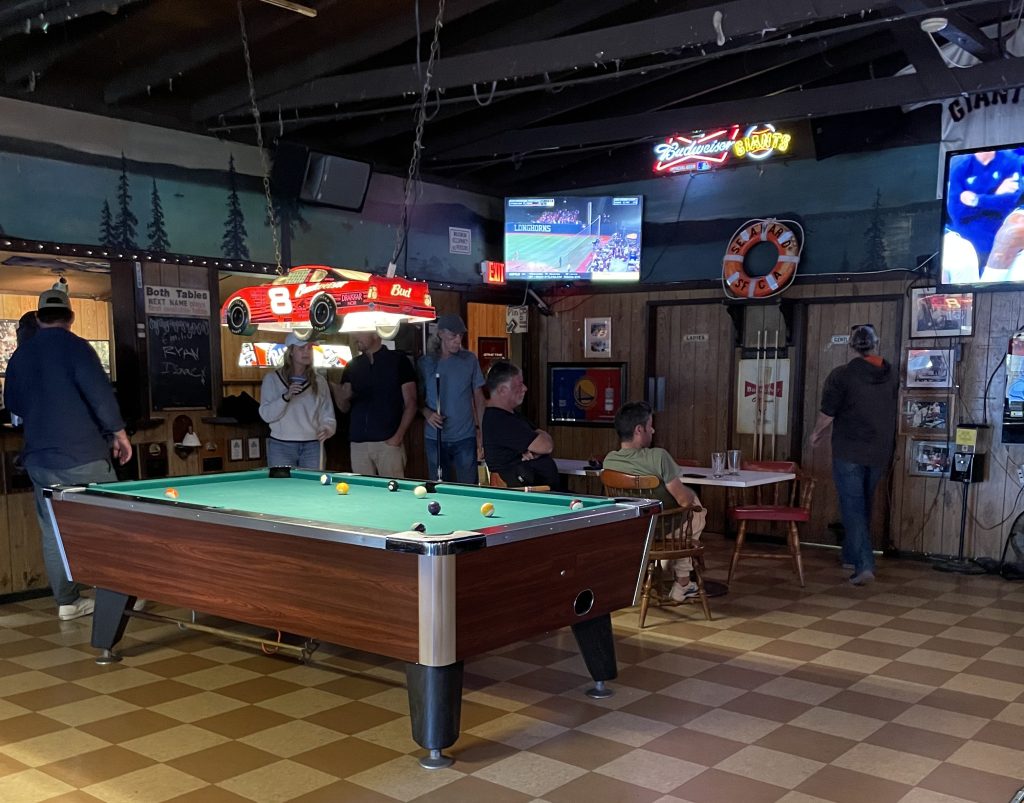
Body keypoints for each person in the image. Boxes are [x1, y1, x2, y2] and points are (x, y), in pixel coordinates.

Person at [5, 281, 133, 621]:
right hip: (83, 455)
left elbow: (13, 404)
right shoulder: (78, 349)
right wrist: (119, 433)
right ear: (70, 317)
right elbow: (100, 396)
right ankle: (120, 595)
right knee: (111, 524)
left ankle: (66, 602)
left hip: (40, 459)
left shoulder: (21, 355)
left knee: (54, 529)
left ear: (40, 318)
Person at [810, 324, 898, 586]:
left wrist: (816, 434)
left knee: (852, 506)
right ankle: (851, 554)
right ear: (876, 342)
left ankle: (864, 565)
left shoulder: (842, 375)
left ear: (851, 344)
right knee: (864, 504)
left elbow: (828, 413)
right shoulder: (891, 374)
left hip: (849, 450)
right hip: (880, 450)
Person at [603, 401, 706, 602]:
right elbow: (684, 502)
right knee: (697, 509)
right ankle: (682, 582)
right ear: (639, 430)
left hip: (631, 529)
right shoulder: (658, 457)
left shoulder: (609, 461)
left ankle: (668, 568)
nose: (653, 429)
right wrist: (691, 494)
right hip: (661, 526)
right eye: (650, 425)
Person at [332, 330, 416, 477]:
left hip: (388, 443)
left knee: (393, 495)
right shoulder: (352, 365)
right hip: (358, 444)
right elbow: (344, 408)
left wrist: (397, 437)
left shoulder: (399, 361)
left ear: (376, 334)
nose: (355, 336)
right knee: (363, 496)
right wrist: (342, 396)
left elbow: (412, 403)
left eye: (360, 332)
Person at [418, 314, 486, 483]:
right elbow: (416, 399)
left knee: (468, 488)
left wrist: (481, 430)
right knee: (439, 486)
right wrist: (427, 413)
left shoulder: (469, 360)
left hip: (465, 436)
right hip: (435, 437)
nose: (458, 340)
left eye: (460, 336)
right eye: (453, 336)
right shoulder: (426, 363)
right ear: (440, 334)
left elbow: (479, 397)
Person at [259, 332, 336, 470]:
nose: (307, 352)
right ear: (291, 352)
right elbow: (266, 415)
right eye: (301, 348)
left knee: (312, 488)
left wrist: (327, 428)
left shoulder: (319, 381)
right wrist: (285, 397)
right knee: (282, 489)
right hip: (281, 445)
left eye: (309, 348)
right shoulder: (272, 379)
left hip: (312, 445)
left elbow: (327, 414)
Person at [482, 360, 561, 489]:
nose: (525, 388)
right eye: (519, 384)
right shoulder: (500, 420)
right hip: (529, 496)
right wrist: (535, 445)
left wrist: (534, 449)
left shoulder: (512, 415)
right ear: (502, 390)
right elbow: (546, 446)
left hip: (541, 492)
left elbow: (544, 441)